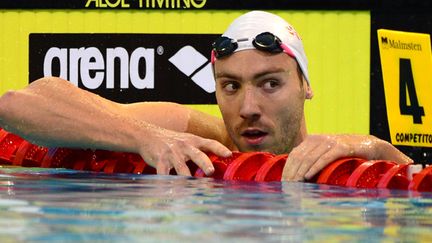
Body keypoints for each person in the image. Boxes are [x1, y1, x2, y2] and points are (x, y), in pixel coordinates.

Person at [0, 11, 412, 181]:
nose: (248, 109)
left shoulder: (341, 159)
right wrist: (144, 137)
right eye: (230, 86)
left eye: (270, 83)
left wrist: (369, 144)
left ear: (305, 85)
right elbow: (19, 103)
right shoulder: (197, 136)